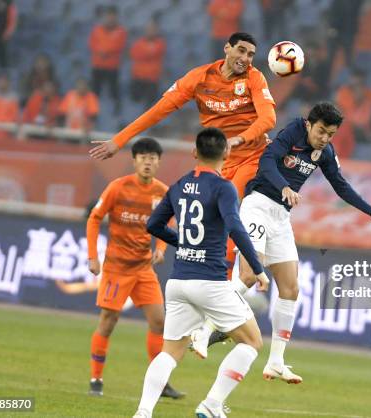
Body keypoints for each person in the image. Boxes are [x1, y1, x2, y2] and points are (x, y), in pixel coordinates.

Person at [191, 102, 371, 384]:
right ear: (308, 124)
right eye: (321, 131)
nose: (325, 138)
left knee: (291, 288)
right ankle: (203, 330)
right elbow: (266, 162)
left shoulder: (324, 152)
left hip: (280, 217)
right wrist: (285, 187)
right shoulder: (292, 132)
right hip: (258, 206)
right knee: (249, 275)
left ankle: (276, 362)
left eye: (331, 134)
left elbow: (340, 184)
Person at [90, 31, 276, 276]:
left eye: (251, 54)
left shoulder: (255, 78)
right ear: (227, 48)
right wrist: (119, 140)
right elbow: (158, 111)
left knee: (230, 212)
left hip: (253, 157)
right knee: (209, 220)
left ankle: (229, 282)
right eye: (241, 50)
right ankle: (218, 278)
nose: (246, 58)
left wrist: (239, 139)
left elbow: (269, 118)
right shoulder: (199, 78)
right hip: (219, 163)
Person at [132, 127, 269, 418]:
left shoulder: (178, 185)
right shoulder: (224, 187)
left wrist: (181, 241)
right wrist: (257, 268)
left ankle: (143, 412)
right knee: (252, 342)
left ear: (195, 153)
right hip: (210, 282)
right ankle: (211, 404)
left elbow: (153, 225)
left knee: (170, 353)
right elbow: (234, 226)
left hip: (178, 280)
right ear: (227, 153)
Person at [86, 138, 183, 399]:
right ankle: (96, 378)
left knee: (159, 322)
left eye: (152, 158)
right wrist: (93, 257)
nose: (148, 162)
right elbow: (95, 219)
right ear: (135, 160)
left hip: (143, 268)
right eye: (143, 157)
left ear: (159, 162)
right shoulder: (118, 187)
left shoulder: (163, 192)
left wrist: (161, 249)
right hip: (117, 267)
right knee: (108, 322)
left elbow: (167, 222)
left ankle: (159, 383)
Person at [88, 6, 126, 114]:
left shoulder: (121, 31)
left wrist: (105, 51)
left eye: (112, 16)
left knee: (114, 91)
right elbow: (92, 43)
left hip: (112, 66)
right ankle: (92, 112)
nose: (110, 18)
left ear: (116, 17)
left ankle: (116, 111)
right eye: (108, 16)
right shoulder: (97, 29)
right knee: (95, 91)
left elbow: (119, 45)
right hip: (98, 65)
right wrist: (100, 50)